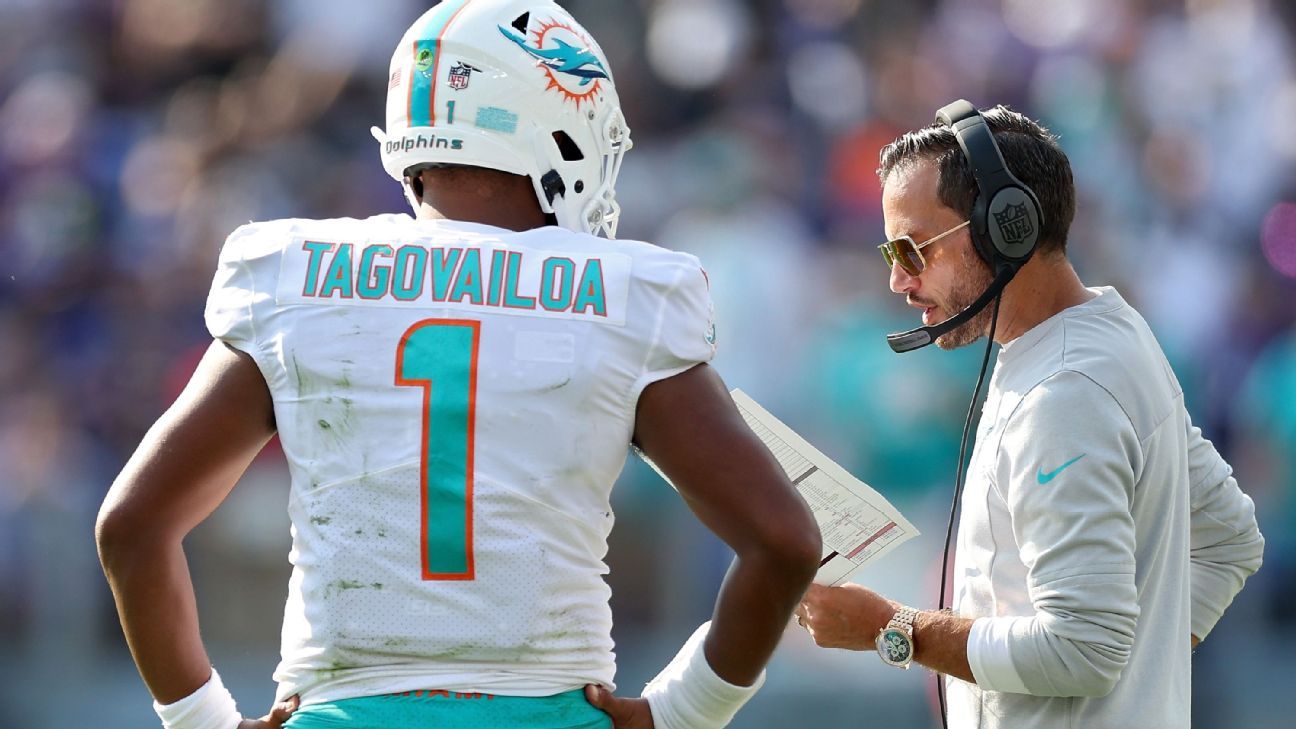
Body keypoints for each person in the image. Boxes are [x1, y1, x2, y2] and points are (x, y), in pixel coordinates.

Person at [95, 2, 822, 728]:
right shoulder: (627, 295)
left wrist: (202, 721)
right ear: (552, 128)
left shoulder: (296, 276)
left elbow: (132, 524)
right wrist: (682, 711)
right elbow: (784, 540)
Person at [795, 104, 1265, 728]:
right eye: (889, 250)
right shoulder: (1108, 337)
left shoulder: (1065, 391)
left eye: (913, 249)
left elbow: (1083, 648)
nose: (896, 282)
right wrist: (1142, 685)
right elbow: (1230, 537)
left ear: (1005, 228)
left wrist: (889, 628)